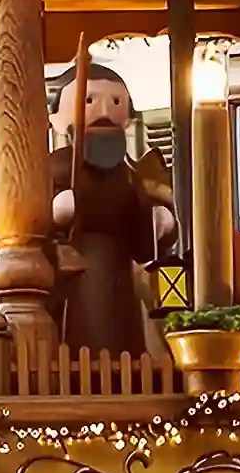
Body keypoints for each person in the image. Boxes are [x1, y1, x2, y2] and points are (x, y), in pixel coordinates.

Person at [47, 57, 176, 355]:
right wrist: (57, 211)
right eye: (90, 100)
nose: (104, 112)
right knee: (87, 321)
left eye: (115, 102)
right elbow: (32, 214)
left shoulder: (129, 172)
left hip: (121, 265)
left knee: (124, 325)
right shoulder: (57, 166)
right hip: (78, 263)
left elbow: (144, 240)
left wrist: (157, 222)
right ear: (56, 118)